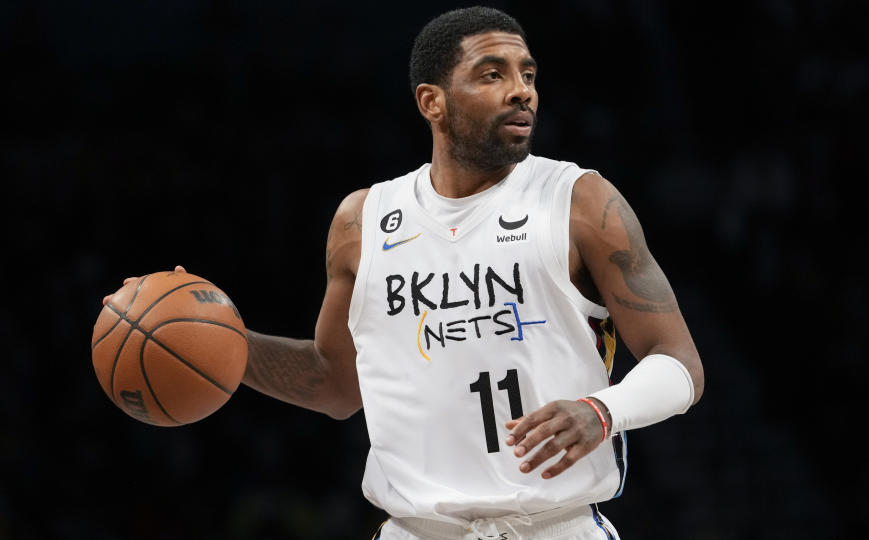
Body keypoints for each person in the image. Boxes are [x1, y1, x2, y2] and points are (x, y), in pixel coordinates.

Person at [104, 7, 704, 539]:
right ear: (431, 101)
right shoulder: (363, 221)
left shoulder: (579, 200)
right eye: (492, 74)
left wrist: (604, 411)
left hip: (557, 527)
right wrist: (219, 342)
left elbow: (680, 363)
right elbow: (338, 385)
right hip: (416, 531)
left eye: (528, 74)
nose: (521, 91)